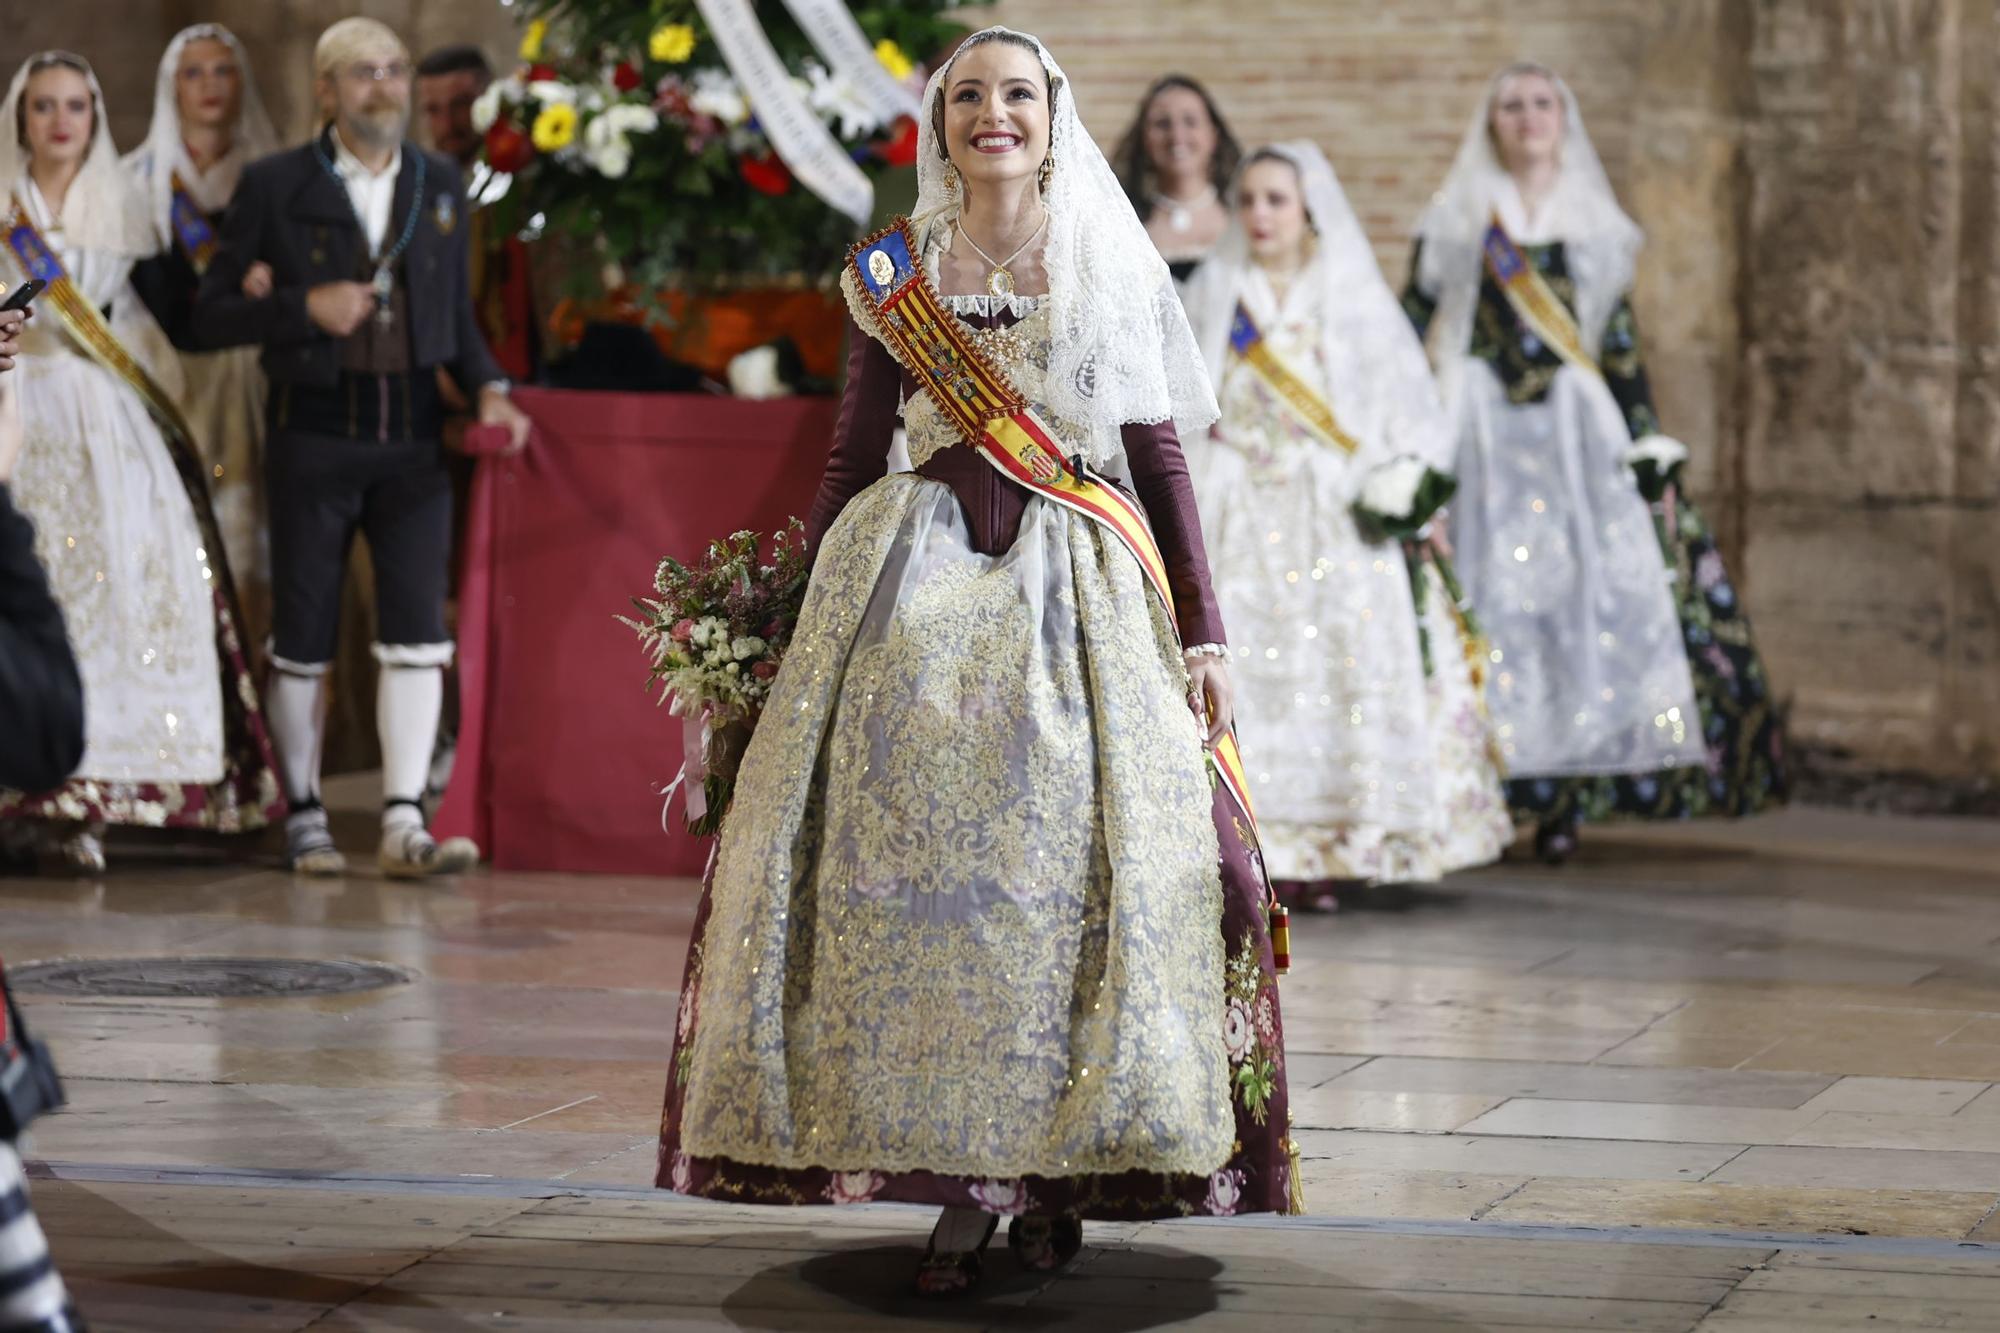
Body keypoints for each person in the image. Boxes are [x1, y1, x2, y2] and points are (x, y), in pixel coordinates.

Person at [656, 26, 1299, 1301]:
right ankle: (956, 1181)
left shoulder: (1105, 257)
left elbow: (1155, 459)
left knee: (1070, 890)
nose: (991, 115)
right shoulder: (891, 271)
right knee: (923, 896)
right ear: (938, 124)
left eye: (1016, 95)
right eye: (967, 98)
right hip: (908, 597)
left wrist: (1205, 632)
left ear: (1053, 119)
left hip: (1079, 597)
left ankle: (1058, 1169)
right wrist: (785, 638)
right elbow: (848, 463)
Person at [1402, 63, 1786, 863]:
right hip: (1482, 435)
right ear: (1492, 123)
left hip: (1577, 439)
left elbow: (1617, 345)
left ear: (1564, 119)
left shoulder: (1597, 224)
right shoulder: (1459, 215)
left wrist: (1647, 445)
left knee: (1580, 608)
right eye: (1511, 105)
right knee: (1490, 600)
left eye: (1543, 103)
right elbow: (1410, 328)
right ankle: (1491, 784)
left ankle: (1568, 795)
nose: (1528, 116)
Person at [193, 19, 530, 879]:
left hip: (413, 442)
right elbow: (210, 314)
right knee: (303, 634)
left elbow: (455, 324)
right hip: (312, 434)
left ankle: (403, 820)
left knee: (418, 634)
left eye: (392, 71)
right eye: (362, 74)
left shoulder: (439, 182)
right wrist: (301, 306)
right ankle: (303, 813)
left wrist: (491, 385)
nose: (382, 88)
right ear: (326, 89)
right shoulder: (273, 185)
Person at [1182, 143, 1510, 910]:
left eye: (1276, 200)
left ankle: (1337, 844)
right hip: (1236, 498)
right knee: (1245, 673)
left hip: (1328, 509)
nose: (1260, 215)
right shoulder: (1214, 291)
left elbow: (1400, 400)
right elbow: (1181, 406)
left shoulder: (1347, 293)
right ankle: (1246, 843)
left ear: (1307, 211)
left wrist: (1407, 491)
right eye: (1250, 200)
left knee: (1338, 669)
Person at [0, 51, 282, 874]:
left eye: (77, 106)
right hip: (14, 414)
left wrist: (265, 293)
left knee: (115, 598)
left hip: (104, 427)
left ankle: (88, 801)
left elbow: (191, 321)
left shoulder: (126, 208)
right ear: (21, 117)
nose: (60, 121)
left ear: (96, 116)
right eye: (44, 106)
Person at [125, 24, 281, 657]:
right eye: (195, 73)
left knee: (257, 547)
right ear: (172, 88)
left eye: (223, 70)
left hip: (258, 385)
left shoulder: (275, 174)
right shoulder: (140, 180)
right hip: (173, 381)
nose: (210, 86)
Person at [1111, 74, 1240, 286]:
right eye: (1162, 124)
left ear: (1213, 134)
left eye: (1190, 121)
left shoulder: (1240, 216)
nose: (1177, 136)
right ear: (1144, 137)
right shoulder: (1124, 225)